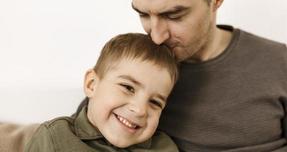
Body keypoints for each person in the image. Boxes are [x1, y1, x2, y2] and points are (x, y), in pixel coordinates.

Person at [122, 0, 287, 151]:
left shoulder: (284, 66)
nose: (156, 37)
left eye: (173, 15)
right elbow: (85, 135)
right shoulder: (128, 70)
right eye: (143, 14)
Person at [25, 33, 179, 152]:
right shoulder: (55, 137)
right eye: (128, 88)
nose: (140, 110)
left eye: (155, 102)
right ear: (92, 85)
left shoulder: (164, 148)